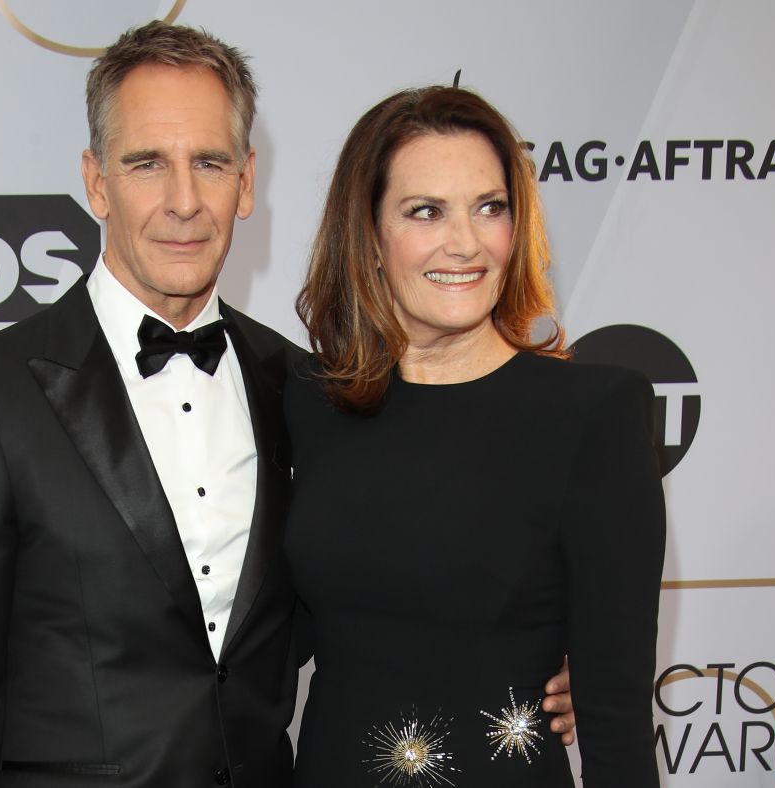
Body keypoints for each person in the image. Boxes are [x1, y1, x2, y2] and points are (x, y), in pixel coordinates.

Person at [0, 21, 576, 788]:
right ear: (96, 181)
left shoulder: (308, 391)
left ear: (247, 182)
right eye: (148, 163)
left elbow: (376, 599)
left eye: (210, 163)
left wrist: (541, 658)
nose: (184, 201)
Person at [286, 85, 666, 786]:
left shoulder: (592, 415)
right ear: (368, 235)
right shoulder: (309, 404)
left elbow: (616, 726)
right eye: (425, 211)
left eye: (489, 207)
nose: (465, 242)